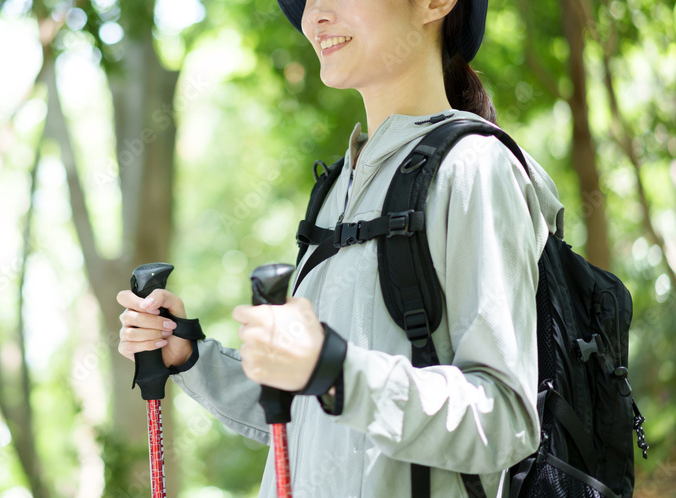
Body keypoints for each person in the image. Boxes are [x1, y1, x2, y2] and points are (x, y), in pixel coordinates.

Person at [117, 0, 566, 495]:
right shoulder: (337, 190)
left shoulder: (473, 170)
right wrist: (190, 356)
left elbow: (503, 419)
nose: (313, 17)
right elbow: (307, 415)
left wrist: (336, 369)